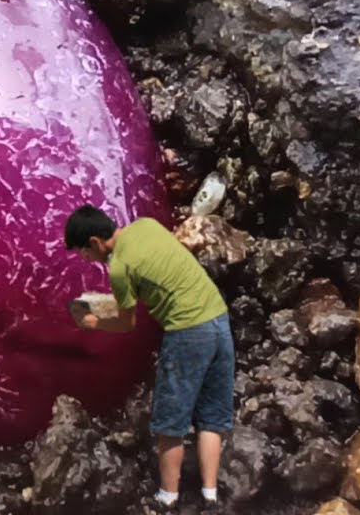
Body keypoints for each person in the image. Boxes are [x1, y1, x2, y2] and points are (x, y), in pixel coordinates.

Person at [64, 205, 233, 512]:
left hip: (188, 330)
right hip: (218, 319)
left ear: (95, 242)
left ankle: (167, 498)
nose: (86, 260)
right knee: (211, 416)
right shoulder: (147, 225)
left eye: (83, 253)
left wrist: (91, 323)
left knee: (170, 424)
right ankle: (210, 496)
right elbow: (154, 276)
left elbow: (126, 323)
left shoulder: (119, 267)